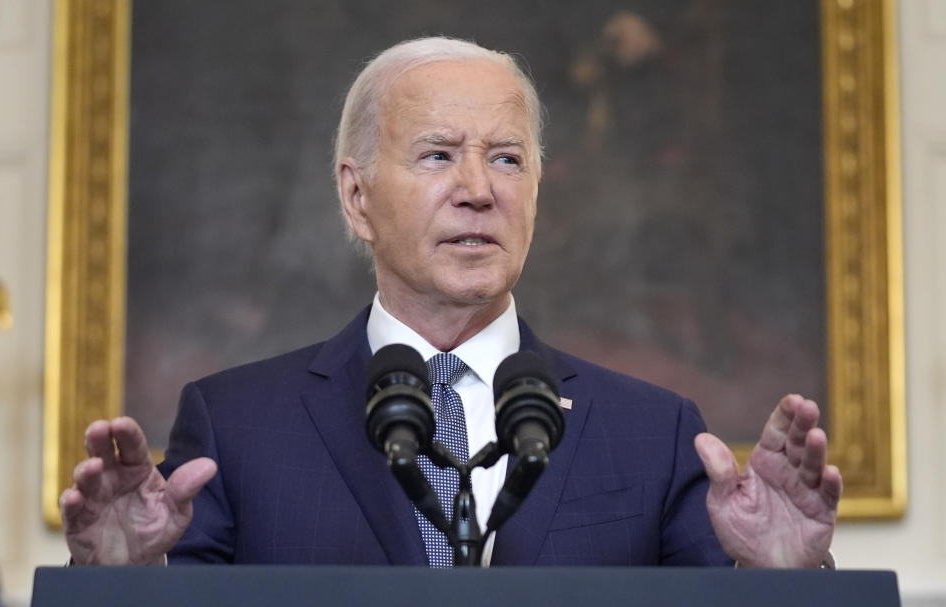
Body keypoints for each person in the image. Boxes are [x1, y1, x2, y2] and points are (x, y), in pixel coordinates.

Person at [60, 37, 841, 569]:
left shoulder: (654, 433)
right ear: (357, 196)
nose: (477, 190)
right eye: (438, 156)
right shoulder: (235, 429)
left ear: (536, 192)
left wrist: (779, 583)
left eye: (506, 159)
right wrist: (123, 584)